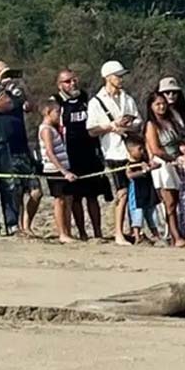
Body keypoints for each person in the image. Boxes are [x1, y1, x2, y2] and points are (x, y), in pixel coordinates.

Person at [86, 60, 143, 245]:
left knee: (131, 192)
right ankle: (118, 232)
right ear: (107, 77)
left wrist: (128, 126)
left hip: (129, 150)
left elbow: (138, 122)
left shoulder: (127, 98)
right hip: (111, 151)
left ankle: (130, 230)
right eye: (118, 76)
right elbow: (91, 129)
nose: (121, 79)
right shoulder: (96, 101)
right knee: (122, 192)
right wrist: (112, 126)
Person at [52, 69, 110, 241]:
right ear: (59, 85)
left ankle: (98, 232)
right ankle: (82, 233)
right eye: (67, 81)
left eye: (74, 80)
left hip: (90, 154)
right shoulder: (56, 102)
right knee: (76, 197)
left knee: (93, 196)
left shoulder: (86, 98)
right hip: (70, 155)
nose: (72, 84)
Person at [0, 61, 42, 237]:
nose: (6, 77)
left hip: (18, 146)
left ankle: (19, 224)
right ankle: (4, 226)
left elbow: (31, 107)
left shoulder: (15, 94)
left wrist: (23, 88)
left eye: (8, 74)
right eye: (2, 73)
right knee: (5, 188)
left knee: (23, 189)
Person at [144, 91, 185, 246]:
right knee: (169, 202)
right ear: (151, 106)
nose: (161, 107)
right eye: (157, 104)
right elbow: (155, 149)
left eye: (163, 103)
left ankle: (180, 232)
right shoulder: (151, 125)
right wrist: (173, 159)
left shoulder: (171, 121)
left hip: (176, 162)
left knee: (178, 199)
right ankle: (175, 236)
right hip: (163, 165)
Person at [38, 99, 78, 243]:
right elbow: (50, 152)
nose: (59, 115)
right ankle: (62, 233)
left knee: (68, 199)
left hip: (64, 168)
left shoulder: (54, 129)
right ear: (48, 112)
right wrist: (63, 171)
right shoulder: (46, 130)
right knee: (59, 200)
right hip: (54, 170)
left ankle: (67, 231)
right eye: (57, 112)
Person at [124, 135, 163, 244]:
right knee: (138, 215)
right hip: (137, 194)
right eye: (139, 149)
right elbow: (130, 175)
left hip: (149, 192)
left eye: (143, 148)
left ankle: (156, 235)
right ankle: (137, 236)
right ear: (130, 150)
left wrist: (152, 166)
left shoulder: (144, 161)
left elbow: (157, 164)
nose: (142, 151)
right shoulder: (129, 164)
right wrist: (144, 171)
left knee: (152, 215)